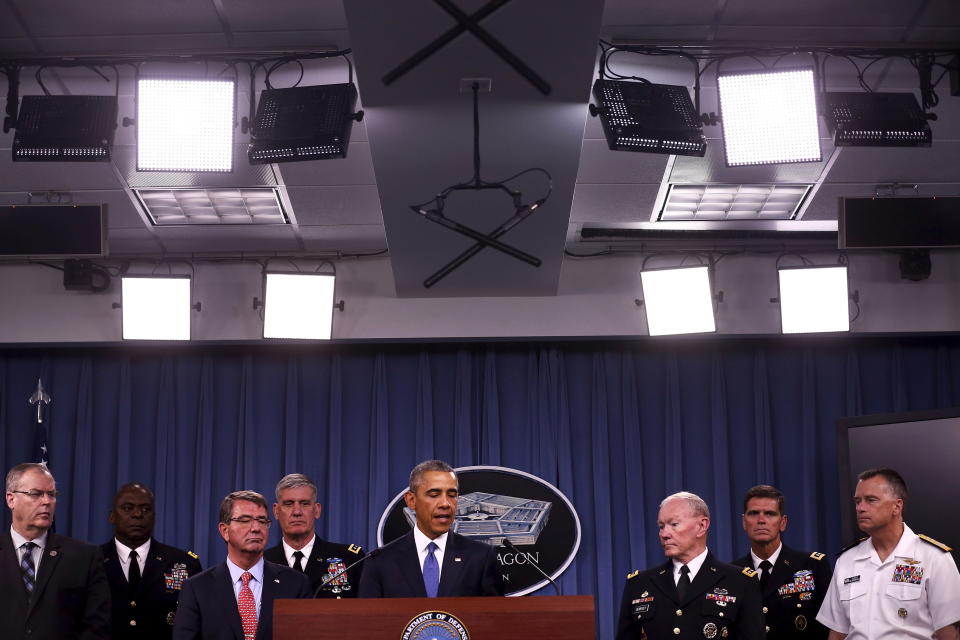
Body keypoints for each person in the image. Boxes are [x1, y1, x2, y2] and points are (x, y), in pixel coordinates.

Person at [817, 468, 960, 640]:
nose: (860, 508)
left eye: (871, 500)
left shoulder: (933, 558)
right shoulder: (847, 560)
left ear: (897, 506)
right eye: (857, 501)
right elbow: (837, 633)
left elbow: (949, 633)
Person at [617, 491, 765, 640]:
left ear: (702, 526)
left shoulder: (740, 582)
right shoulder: (639, 584)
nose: (664, 534)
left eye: (674, 524)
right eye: (661, 526)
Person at [172, 490, 311, 640]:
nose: (256, 528)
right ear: (225, 530)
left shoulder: (295, 583)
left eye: (262, 521)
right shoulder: (197, 588)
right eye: (245, 520)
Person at [357, 459, 504, 598]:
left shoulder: (481, 556)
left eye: (452, 495)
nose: (445, 504)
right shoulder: (380, 561)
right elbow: (369, 621)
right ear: (411, 500)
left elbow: (494, 619)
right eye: (434, 495)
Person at [1, 462, 111, 640]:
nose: (46, 501)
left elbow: (97, 627)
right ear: (11, 499)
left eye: (51, 494)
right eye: (36, 494)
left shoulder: (85, 557)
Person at [101, 482, 203, 639]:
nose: (137, 514)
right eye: (128, 508)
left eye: (145, 509)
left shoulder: (184, 563)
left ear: (154, 517)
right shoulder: (91, 561)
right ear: (112, 516)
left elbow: (196, 626)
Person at [732, 485, 832, 639]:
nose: (761, 520)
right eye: (753, 513)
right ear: (744, 522)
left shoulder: (812, 566)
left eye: (770, 514)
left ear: (783, 522)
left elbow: (831, 627)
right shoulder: (732, 573)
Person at [264, 473, 364, 597]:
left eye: (304, 503)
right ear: (276, 511)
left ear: (317, 510)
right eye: (288, 504)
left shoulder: (350, 559)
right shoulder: (262, 562)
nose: (297, 512)